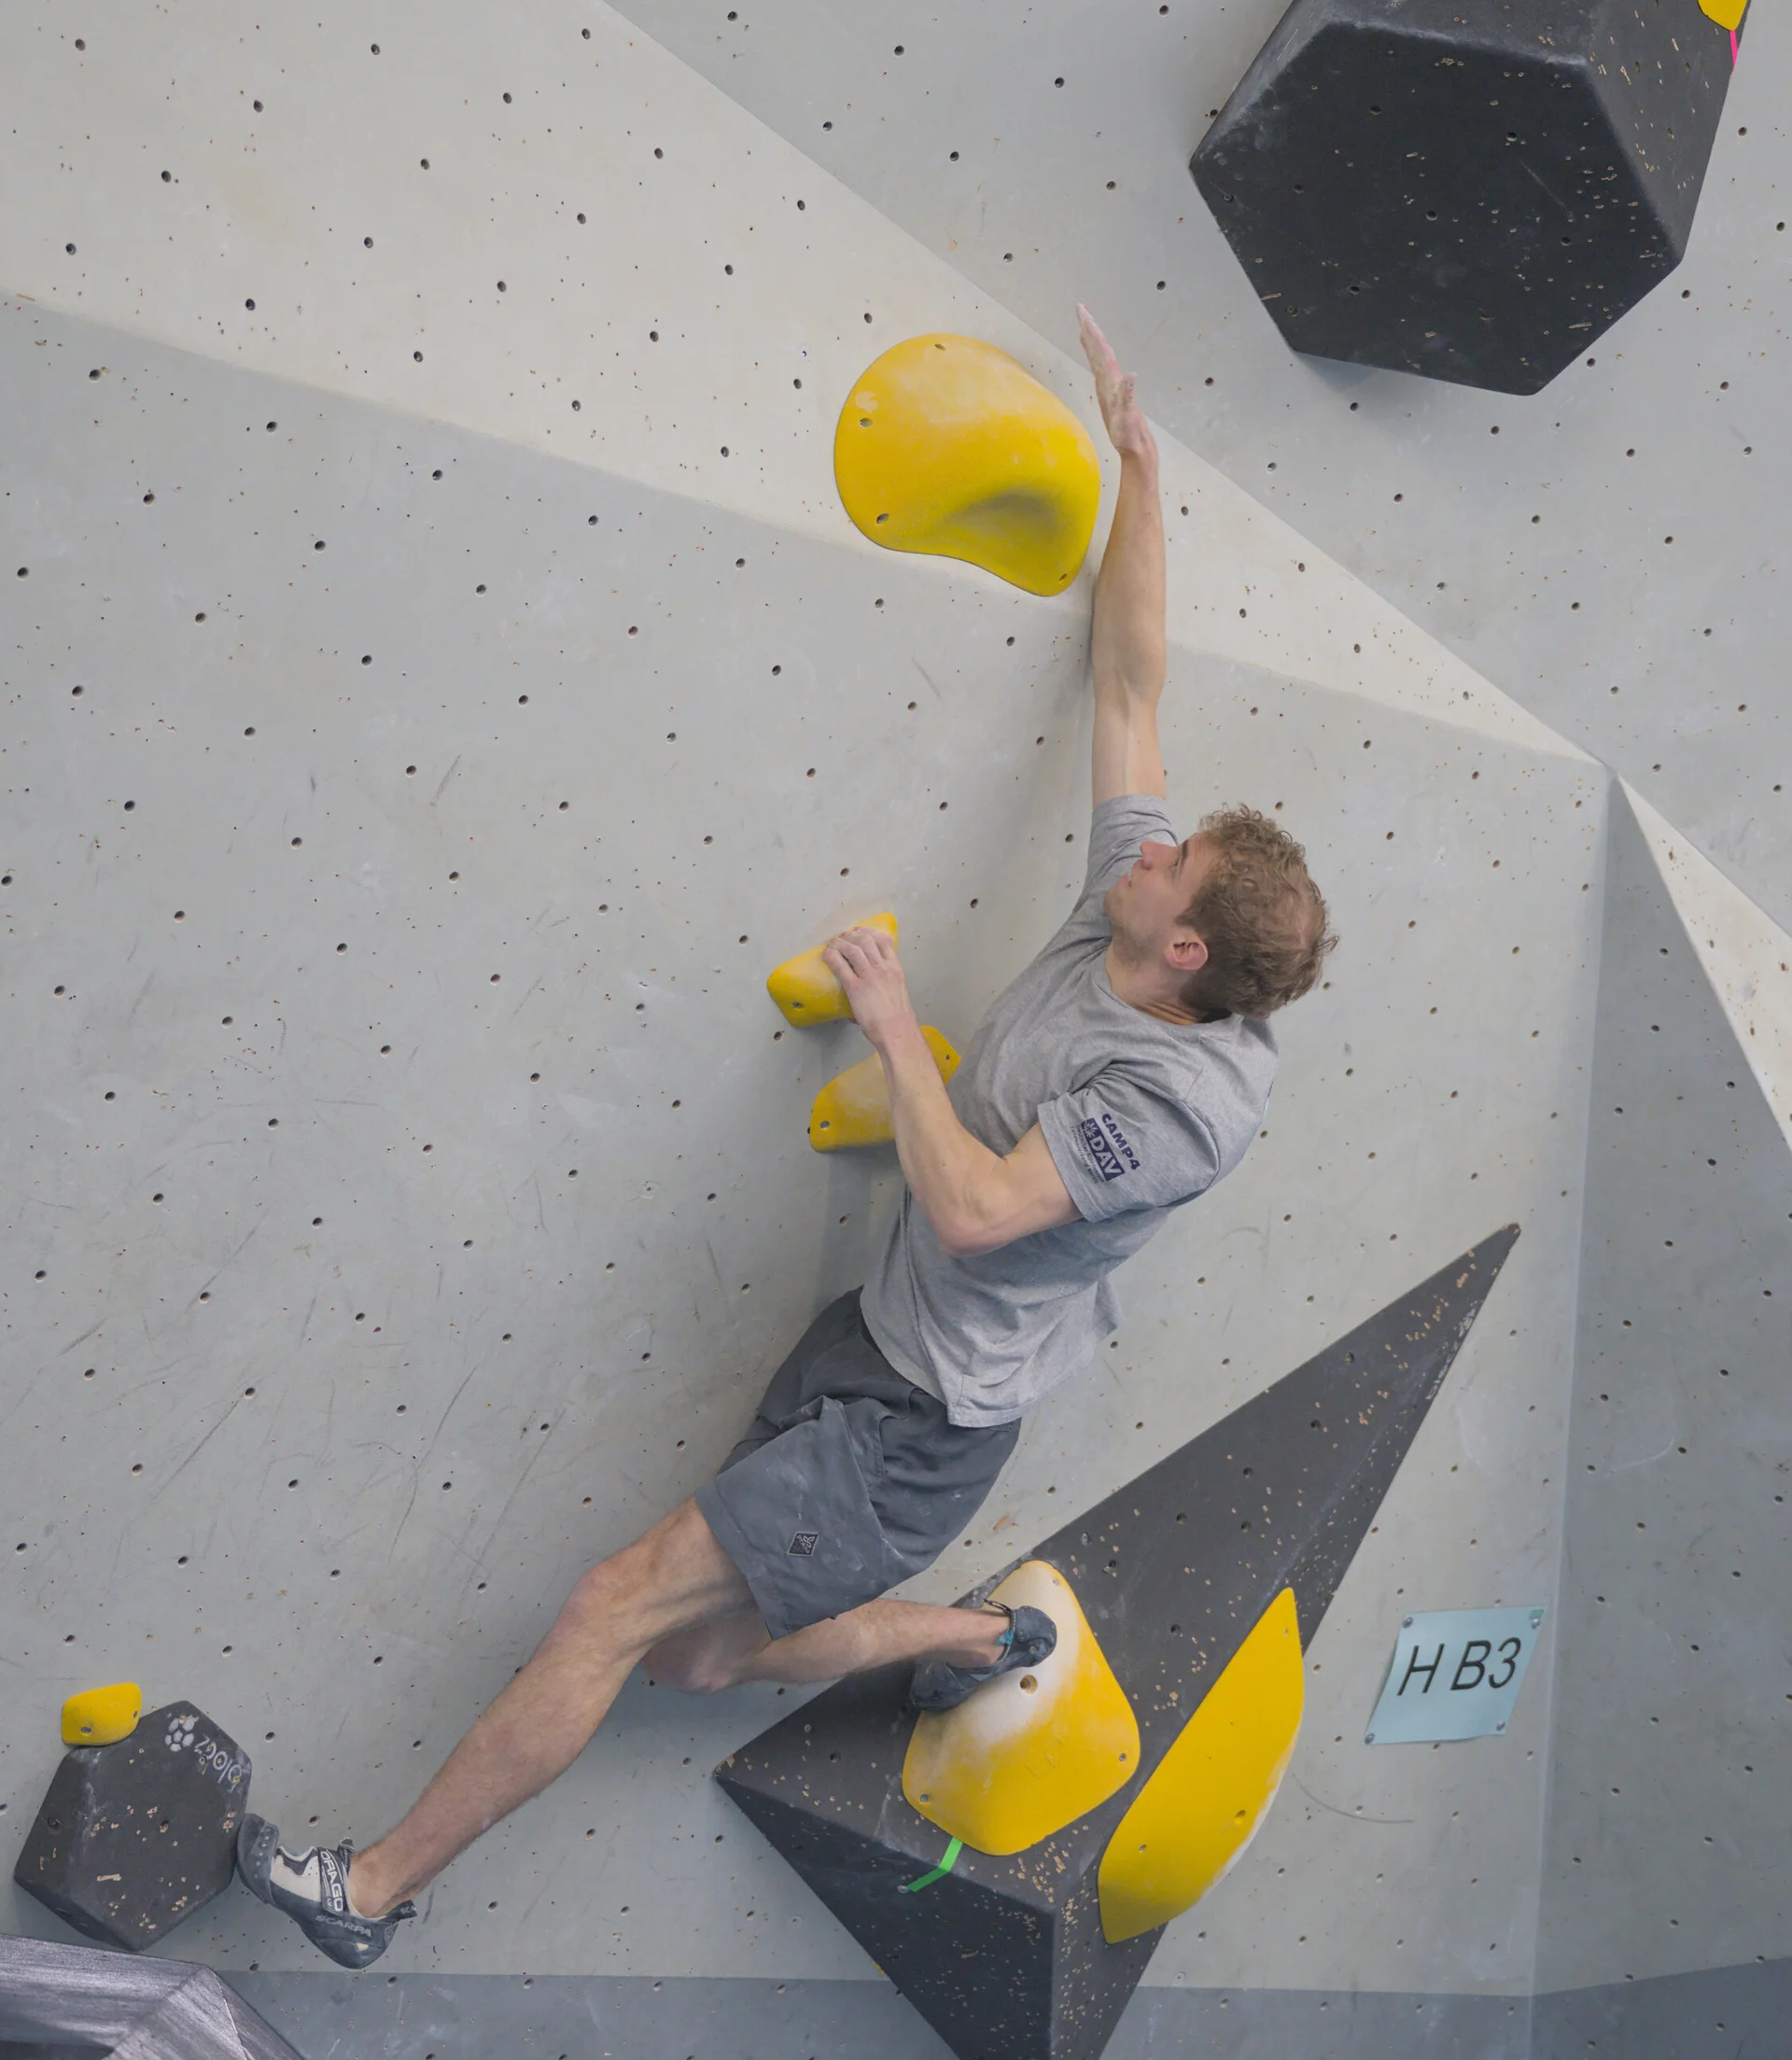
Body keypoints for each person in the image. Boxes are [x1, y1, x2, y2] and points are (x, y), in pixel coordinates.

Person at [234, 308, 1335, 1967]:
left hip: (919, 1424)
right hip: (875, 1345)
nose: (1141, 852)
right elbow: (1129, 672)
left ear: (1185, 959)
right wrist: (1139, 465)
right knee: (691, 1661)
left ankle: (371, 1894)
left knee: (618, 1609)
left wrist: (895, 1021)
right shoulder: (1151, 924)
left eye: (1161, 876)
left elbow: (972, 1216)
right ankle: (972, 1634)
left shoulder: (1170, 1103)